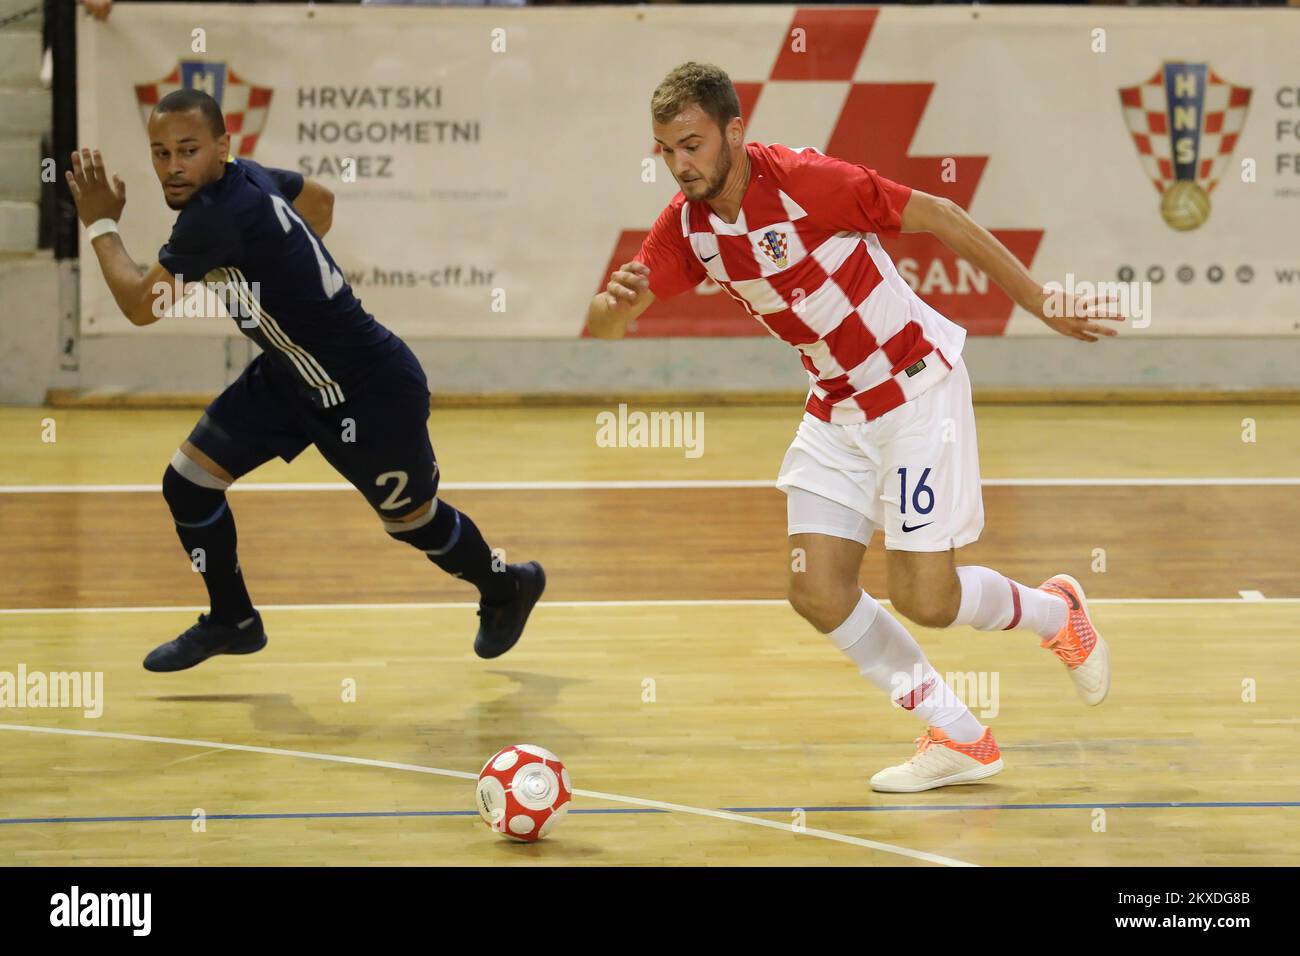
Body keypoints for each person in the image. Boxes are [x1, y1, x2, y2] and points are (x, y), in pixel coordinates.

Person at [587, 62, 1116, 793]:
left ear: (733, 132)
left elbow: (940, 214)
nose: (681, 164)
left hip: (914, 390)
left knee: (927, 600)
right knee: (817, 590)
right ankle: (962, 737)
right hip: (836, 409)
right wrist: (610, 309)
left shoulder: (806, 181)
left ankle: (1056, 611)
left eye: (693, 144)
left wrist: (1038, 299)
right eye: (666, 150)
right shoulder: (688, 229)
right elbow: (608, 328)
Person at [65, 88, 544, 672]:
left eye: (187, 150)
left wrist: (100, 222)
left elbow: (141, 306)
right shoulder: (247, 175)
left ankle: (505, 587)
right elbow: (320, 203)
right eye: (160, 153)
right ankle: (232, 620)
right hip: (289, 374)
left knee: (414, 523)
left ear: (222, 146)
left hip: (368, 392)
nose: (172, 167)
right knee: (188, 483)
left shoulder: (212, 218)